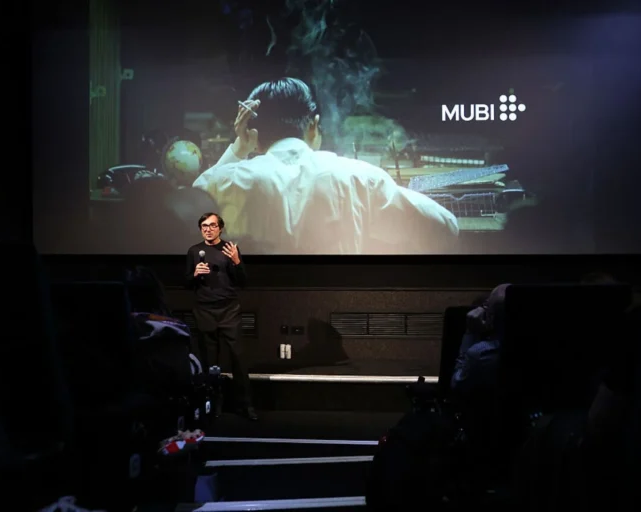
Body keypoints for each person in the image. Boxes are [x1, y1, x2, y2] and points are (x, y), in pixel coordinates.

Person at [192, 77, 459, 254]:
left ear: (252, 133)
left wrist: (240, 147)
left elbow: (191, 204)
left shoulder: (227, 181)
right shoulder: (359, 177)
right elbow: (445, 226)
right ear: (314, 125)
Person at [185, 212, 256, 421]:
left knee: (238, 359)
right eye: (204, 226)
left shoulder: (229, 249)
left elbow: (243, 282)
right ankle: (213, 405)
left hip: (229, 311)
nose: (208, 229)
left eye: (212, 225)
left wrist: (236, 261)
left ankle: (245, 405)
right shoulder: (194, 251)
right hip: (205, 311)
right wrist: (195, 274)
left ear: (220, 228)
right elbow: (186, 283)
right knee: (210, 362)